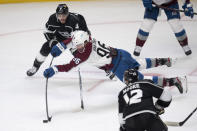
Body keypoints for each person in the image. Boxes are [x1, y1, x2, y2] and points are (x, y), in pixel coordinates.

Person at [43, 30, 185, 94]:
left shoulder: (84, 54)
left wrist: (54, 69)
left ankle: (173, 81)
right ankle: (165, 60)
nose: (77, 47)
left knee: (139, 83)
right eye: (77, 45)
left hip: (118, 66)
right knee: (139, 64)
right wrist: (60, 47)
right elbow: (72, 37)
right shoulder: (86, 37)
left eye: (79, 45)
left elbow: (69, 66)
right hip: (121, 53)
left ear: (86, 42)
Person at [26, 4, 90, 76]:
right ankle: (35, 67)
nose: (61, 17)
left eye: (64, 15)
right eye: (59, 15)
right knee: (46, 46)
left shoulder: (75, 20)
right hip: (60, 38)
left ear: (68, 14)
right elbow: (47, 31)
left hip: (76, 40)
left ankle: (104, 66)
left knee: (85, 55)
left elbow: (81, 36)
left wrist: (70, 46)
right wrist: (52, 41)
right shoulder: (52, 18)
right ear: (56, 14)